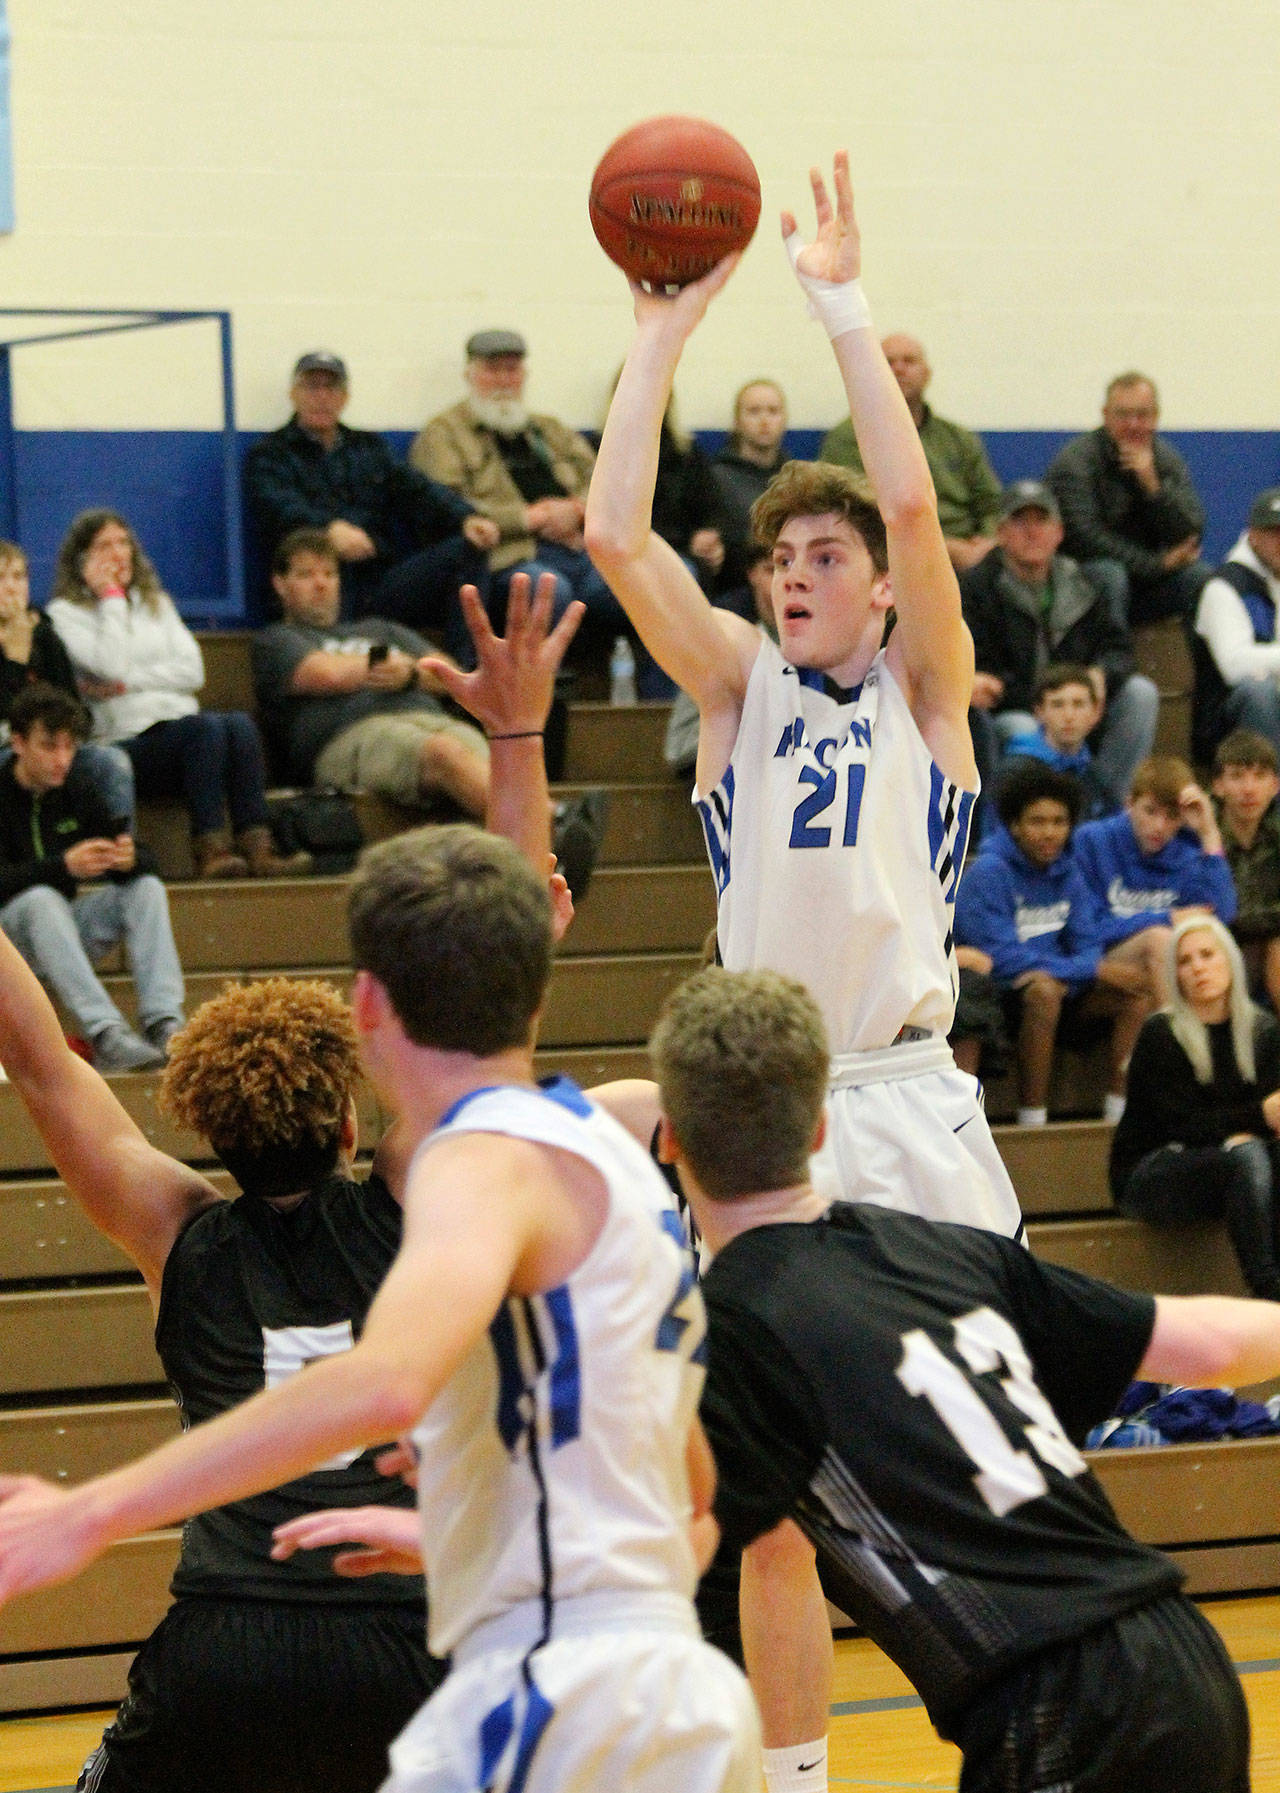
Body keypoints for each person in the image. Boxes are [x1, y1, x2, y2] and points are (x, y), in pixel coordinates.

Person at [0, 825, 762, 1793]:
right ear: (351, 1120)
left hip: (223, 1640)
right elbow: (481, 1051)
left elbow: (40, 1062)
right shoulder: (427, 1194)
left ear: (209, 1128)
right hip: (414, 1632)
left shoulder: (174, 1232)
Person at [584, 155, 1022, 1792]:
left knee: (980, 1484)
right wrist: (661, 331)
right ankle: (789, 1778)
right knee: (760, 1500)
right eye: (784, 562)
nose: (798, 576)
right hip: (768, 1127)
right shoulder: (733, 699)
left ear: (885, 590)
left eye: (827, 559)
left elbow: (914, 508)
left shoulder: (928, 699)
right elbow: (618, 532)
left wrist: (840, 310)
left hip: (911, 1115)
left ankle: (1056, 1720)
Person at [653, 963, 1264, 1793]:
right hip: (1185, 1659)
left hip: (1057, 1710)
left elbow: (658, 1554)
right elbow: (1206, 1343)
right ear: (820, 1131)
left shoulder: (730, 1334)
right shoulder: (938, 1246)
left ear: (671, 1143)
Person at [46, 510, 308, 879]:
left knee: (238, 726)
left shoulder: (157, 605)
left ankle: (258, 847)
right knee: (206, 732)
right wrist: (111, 598)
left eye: (124, 543)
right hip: (126, 740)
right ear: (81, 560)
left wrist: (128, 685)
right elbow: (111, 665)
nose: (118, 554)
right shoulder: (65, 614)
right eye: (105, 546)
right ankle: (210, 851)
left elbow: (192, 671)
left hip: (180, 727)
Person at [410, 329, 653, 668]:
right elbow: (445, 508)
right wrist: (528, 518)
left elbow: (606, 480)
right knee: (548, 590)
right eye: (492, 370)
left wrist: (576, 510)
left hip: (581, 550)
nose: (503, 380)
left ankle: (657, 706)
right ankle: (535, 708)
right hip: (508, 558)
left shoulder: (548, 429)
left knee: (652, 585)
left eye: (512, 370)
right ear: (470, 374)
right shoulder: (443, 434)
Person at [242, 350, 501, 656]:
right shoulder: (269, 455)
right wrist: (328, 532)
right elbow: (277, 508)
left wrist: (466, 518)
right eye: (312, 387)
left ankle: (470, 678)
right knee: (320, 579)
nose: (322, 397)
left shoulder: (370, 449)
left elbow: (418, 490)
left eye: (331, 388)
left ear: (345, 397)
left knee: (469, 548)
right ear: (294, 394)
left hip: (379, 585)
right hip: (315, 588)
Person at [954, 762, 1158, 1125]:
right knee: (1043, 992)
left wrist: (1087, 969)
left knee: (1136, 995)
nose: (1050, 833)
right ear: (1015, 825)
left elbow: (1089, 943)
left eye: (1059, 822)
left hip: (1064, 988)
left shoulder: (1069, 872)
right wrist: (1087, 969)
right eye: (1038, 821)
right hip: (1002, 1000)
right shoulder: (989, 872)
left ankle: (1120, 1114)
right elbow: (1000, 958)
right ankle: (1033, 1119)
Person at [0, 683, 185, 1072]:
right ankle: (106, 1033)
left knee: (146, 888)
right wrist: (62, 867)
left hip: (57, 937)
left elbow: (142, 859)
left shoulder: (77, 789)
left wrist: (129, 859)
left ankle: (165, 1023)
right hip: (8, 943)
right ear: (17, 743)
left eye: (70, 747)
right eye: (50, 746)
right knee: (41, 899)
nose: (62, 759)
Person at [253, 528, 492, 822]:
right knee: (444, 753)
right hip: (350, 739)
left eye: (329, 574)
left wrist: (410, 675)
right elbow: (324, 674)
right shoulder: (277, 639)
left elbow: (450, 673)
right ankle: (546, 836)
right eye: (306, 575)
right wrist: (391, 664)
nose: (321, 584)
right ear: (280, 584)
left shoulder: (380, 629)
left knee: (496, 758)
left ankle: (543, 839)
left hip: (433, 722)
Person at [1111, 914, 1280, 1301]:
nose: (1198, 967)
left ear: (1231, 962)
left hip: (1226, 1168)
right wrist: (1254, 1121)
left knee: (1264, 1155)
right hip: (1153, 1171)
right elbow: (1179, 1125)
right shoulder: (1160, 1034)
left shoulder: (1263, 1030)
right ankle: (1268, 1290)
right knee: (1249, 1155)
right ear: (1176, 976)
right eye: (1185, 962)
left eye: (1207, 955)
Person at [960, 479, 1157, 805]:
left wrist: (1100, 675)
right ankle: (1030, 817)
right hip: (1017, 708)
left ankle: (1105, 807)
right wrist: (1047, 700)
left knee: (1141, 694)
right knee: (1020, 727)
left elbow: (1118, 650)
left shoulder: (1086, 582)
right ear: (1001, 534)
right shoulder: (977, 588)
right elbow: (981, 669)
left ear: (1059, 532)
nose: (1032, 532)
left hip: (1078, 703)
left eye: (1042, 522)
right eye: (1020, 522)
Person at [818, 331, 1001, 571]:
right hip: (888, 560)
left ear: (927, 374)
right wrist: (942, 549)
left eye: (909, 361)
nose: (899, 369)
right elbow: (845, 515)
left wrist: (986, 543)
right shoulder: (847, 440)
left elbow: (991, 503)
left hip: (970, 562)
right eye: (889, 362)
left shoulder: (958, 439)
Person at [1045, 372, 1209, 625]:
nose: (1133, 424)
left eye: (1142, 415)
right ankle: (1115, 662)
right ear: (1105, 415)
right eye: (1123, 415)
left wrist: (1153, 487)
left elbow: (1190, 532)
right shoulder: (1076, 461)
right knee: (1110, 575)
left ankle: (1193, 664)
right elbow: (1083, 538)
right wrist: (1156, 564)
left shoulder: (1165, 459)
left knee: (1200, 578)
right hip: (1083, 578)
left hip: (1146, 580)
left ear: (1156, 417)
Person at [1073, 757, 1237, 991]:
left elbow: (1221, 915)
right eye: (1150, 811)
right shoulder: (1092, 840)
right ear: (1130, 804)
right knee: (1159, 940)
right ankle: (1176, 1028)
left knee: (1201, 954)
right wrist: (1166, 918)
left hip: (1160, 964)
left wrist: (1209, 834)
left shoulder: (1186, 852)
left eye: (1171, 816)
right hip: (1097, 959)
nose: (1159, 826)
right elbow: (1087, 928)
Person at [0, 538, 134, 819]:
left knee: (111, 762)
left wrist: (65, 735)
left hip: (54, 748)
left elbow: (75, 709)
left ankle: (117, 856)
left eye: (19, 576)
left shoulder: (44, 634)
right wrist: (15, 661)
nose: (12, 588)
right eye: (1, 578)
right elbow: (9, 717)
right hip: (7, 752)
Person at [1192, 485, 1280, 761]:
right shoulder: (1225, 588)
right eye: (1273, 533)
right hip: (1226, 723)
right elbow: (1234, 666)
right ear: (1253, 536)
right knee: (1258, 690)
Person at [1213, 728, 1280, 1010]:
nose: (1249, 788)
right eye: (1237, 776)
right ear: (1218, 785)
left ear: (1275, 785)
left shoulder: (1276, 836)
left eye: (1260, 776)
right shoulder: (1201, 837)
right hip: (1214, 951)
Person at [1001, 662, 1116, 820]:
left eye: (1078, 704)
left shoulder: (1096, 776)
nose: (1068, 715)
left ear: (1095, 712)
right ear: (1039, 712)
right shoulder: (1014, 772)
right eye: (1057, 705)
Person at [711, 379, 790, 590]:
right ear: (737, 421)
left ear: (784, 419)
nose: (764, 420)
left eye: (773, 411)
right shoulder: (716, 477)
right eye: (754, 411)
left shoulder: (797, 478)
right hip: (738, 585)